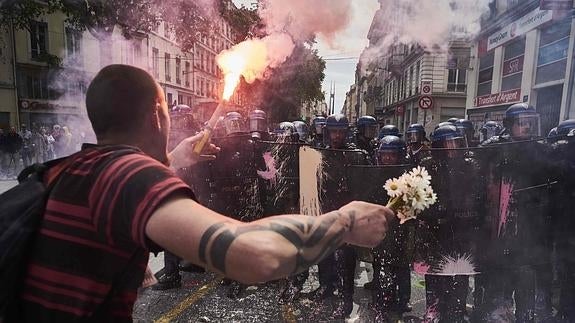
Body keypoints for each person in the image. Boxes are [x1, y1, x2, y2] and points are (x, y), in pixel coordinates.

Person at [5, 65, 395, 322]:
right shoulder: (128, 173)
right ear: (156, 117)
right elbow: (253, 255)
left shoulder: (68, 168)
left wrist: (173, 158)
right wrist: (344, 221)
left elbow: (118, 197)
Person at [478, 103, 554, 322]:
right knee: (500, 275)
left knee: (526, 275)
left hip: (531, 224)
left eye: (529, 122)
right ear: (509, 126)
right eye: (521, 123)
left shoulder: (539, 149)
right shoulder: (496, 147)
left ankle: (525, 315)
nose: (527, 127)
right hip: (502, 223)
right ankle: (497, 311)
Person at [420, 125, 486, 322]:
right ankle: (434, 308)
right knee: (435, 270)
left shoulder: (470, 165)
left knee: (460, 270)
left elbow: (479, 193)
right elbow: (419, 193)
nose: (452, 148)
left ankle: (456, 309)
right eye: (447, 143)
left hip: (462, 226)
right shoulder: (428, 165)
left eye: (455, 142)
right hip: (436, 226)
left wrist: (473, 214)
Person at [372, 136, 415, 320]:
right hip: (382, 227)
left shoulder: (407, 176)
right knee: (381, 263)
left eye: (392, 155)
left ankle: (403, 299)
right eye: (385, 155)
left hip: (402, 226)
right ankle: (382, 298)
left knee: (402, 265)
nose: (388, 158)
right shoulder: (374, 173)